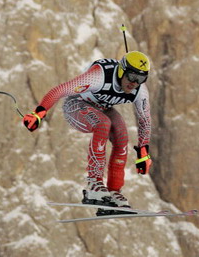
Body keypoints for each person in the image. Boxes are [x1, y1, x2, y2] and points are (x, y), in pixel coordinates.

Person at [23, 51, 152, 209]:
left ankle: (114, 191)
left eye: (140, 79)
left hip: (103, 108)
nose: (134, 83)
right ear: (121, 71)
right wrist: (38, 113)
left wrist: (143, 153)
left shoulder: (139, 91)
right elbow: (61, 90)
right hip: (76, 105)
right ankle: (95, 183)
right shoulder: (99, 77)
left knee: (122, 135)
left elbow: (145, 120)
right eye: (132, 77)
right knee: (103, 123)